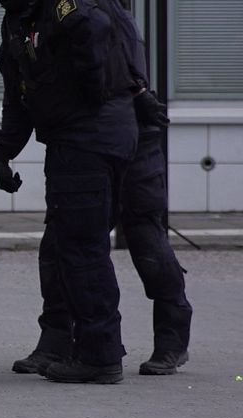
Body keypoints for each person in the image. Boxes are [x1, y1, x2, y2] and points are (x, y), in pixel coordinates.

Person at [11, 0, 193, 377]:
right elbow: (25, 80)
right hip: (102, 130)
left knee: (142, 236)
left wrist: (96, 95)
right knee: (62, 242)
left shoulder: (90, 9)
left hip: (123, 132)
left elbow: (114, 65)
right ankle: (57, 340)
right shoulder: (33, 17)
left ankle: (170, 338)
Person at [0, 0, 139, 384]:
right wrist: (3, 152)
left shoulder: (63, 6)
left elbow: (94, 29)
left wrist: (85, 98)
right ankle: (60, 343)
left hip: (89, 139)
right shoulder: (19, 20)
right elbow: (19, 91)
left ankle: (99, 355)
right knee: (61, 246)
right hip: (81, 138)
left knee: (82, 249)